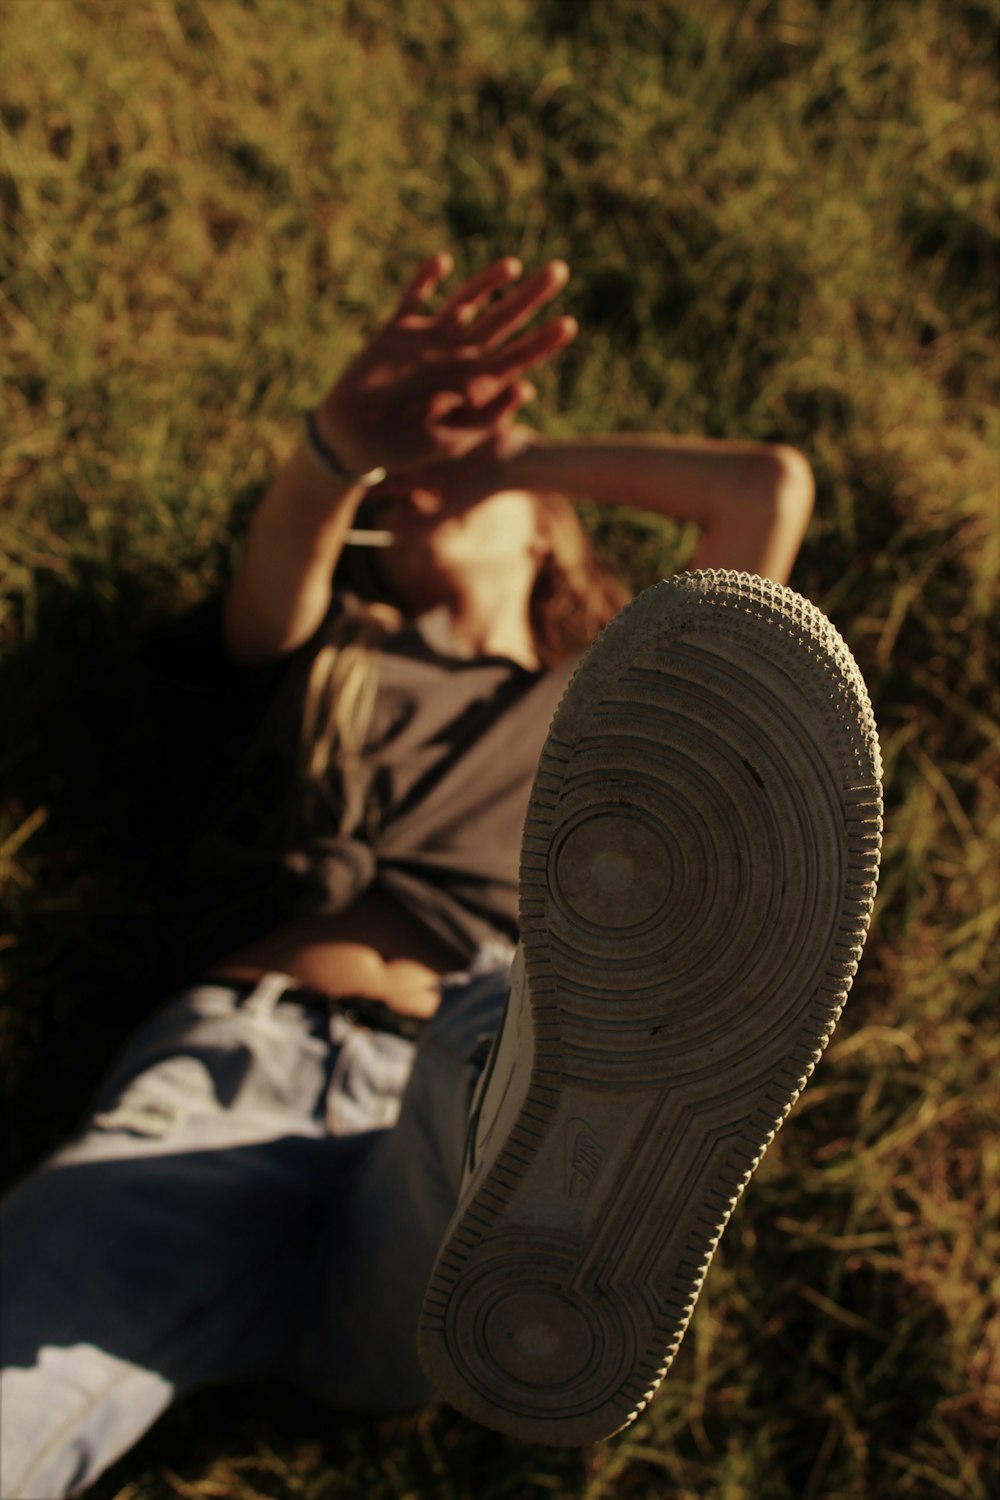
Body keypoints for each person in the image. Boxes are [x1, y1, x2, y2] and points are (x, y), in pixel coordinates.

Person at [0, 254, 882, 1495]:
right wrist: (339, 450)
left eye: (458, 485)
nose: (424, 492)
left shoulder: (619, 704)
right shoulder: (332, 657)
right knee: (17, 1355)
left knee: (495, 1028)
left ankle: (563, 1138)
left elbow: (763, 491)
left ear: (546, 535)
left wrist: (509, 460)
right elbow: (281, 566)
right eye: (402, 492)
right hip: (233, 1074)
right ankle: (566, 1123)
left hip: (442, 1123)